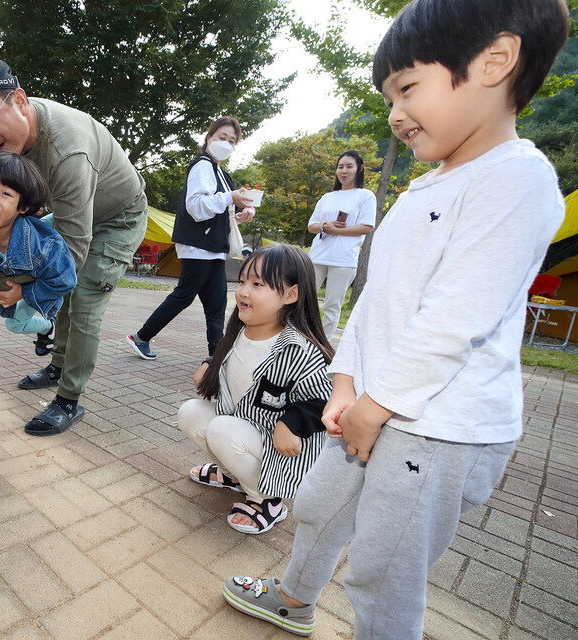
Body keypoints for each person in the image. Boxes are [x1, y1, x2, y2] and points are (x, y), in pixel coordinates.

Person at [222, 1, 570, 638]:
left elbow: (453, 321)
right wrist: (347, 385)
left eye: (408, 88)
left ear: (495, 61)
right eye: (388, 96)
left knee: (384, 566)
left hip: (439, 425)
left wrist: (375, 406)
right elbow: (372, 301)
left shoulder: (517, 180)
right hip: (373, 405)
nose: (394, 113)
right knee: (320, 506)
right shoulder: (421, 189)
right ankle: (295, 599)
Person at [0, 53, 148, 436]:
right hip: (75, 212)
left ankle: (69, 399)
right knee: (48, 284)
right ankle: (57, 364)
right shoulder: (15, 139)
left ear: (19, 101)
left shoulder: (68, 151)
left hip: (118, 218)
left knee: (81, 298)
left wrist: (21, 287)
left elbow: (70, 253)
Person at [178, 245, 332, 535]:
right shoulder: (240, 329)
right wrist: (208, 365)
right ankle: (233, 475)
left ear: (291, 295)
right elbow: (228, 359)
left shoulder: (297, 348)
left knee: (222, 429)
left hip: (280, 447)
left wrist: (292, 424)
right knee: (190, 412)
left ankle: (267, 501)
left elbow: (323, 397)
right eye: (242, 281)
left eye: (258, 284)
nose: (243, 292)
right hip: (244, 427)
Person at [126, 117, 254, 361]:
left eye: (232, 141)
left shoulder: (221, 173)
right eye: (221, 137)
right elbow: (196, 207)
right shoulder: (203, 166)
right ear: (209, 138)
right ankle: (141, 337)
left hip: (212, 247)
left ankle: (215, 356)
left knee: (215, 304)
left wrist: (241, 215)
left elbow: (216, 215)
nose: (226, 143)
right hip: (198, 246)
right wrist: (230, 198)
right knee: (186, 296)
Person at [0, 151, 77, 355]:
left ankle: (49, 326)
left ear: (23, 206)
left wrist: (22, 292)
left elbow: (65, 281)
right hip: (18, 244)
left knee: (14, 324)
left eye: (6, 193)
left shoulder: (46, 246)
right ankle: (48, 327)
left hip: (36, 274)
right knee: (11, 323)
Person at [306, 151, 376, 341]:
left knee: (332, 305)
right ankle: (301, 337)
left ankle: (323, 345)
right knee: (304, 300)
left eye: (349, 166)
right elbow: (312, 226)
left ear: (359, 169)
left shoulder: (365, 196)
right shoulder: (328, 197)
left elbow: (366, 227)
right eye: (340, 167)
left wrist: (335, 231)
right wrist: (325, 227)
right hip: (318, 255)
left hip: (344, 259)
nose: (344, 171)